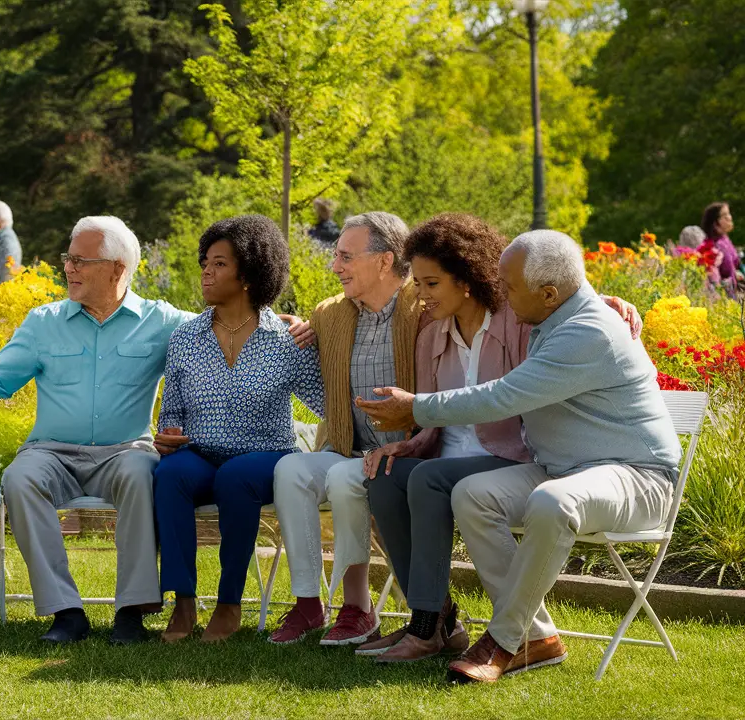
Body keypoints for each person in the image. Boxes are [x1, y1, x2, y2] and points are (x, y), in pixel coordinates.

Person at [0, 216, 315, 645]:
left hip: (125, 449)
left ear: (117, 270)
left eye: (81, 260)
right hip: (51, 451)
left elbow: (230, 323)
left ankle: (132, 611)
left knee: (141, 474)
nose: (69, 267)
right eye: (68, 257)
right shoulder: (44, 323)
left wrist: (286, 324)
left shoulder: (165, 322)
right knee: (21, 479)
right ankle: (65, 611)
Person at [358, 229, 680, 684]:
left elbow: (505, 396)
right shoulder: (553, 316)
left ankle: (505, 639)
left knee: (553, 502)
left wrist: (414, 406)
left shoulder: (587, 331)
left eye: (508, 288)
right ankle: (540, 636)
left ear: (549, 294)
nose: (499, 295)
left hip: (635, 476)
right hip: (560, 470)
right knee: (472, 492)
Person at [354, 214, 534, 662]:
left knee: (426, 479)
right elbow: (433, 416)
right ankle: (442, 620)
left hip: (509, 460)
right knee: (386, 473)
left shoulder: (515, 323)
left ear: (468, 280)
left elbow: (567, 316)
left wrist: (613, 302)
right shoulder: (432, 334)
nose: (421, 295)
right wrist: (407, 445)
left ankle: (424, 625)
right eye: (418, 283)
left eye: (431, 284)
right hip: (445, 460)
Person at [152, 215, 325, 643]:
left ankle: (230, 604)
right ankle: (184, 601)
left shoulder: (286, 338)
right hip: (201, 454)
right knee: (170, 475)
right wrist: (167, 435)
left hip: (265, 457)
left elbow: (326, 403)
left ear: (248, 274)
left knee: (236, 476)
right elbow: (170, 411)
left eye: (219, 264)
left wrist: (323, 336)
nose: (206, 273)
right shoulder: (186, 337)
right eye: (205, 263)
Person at [269, 211, 420, 647]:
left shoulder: (423, 308)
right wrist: (292, 327)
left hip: (409, 450)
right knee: (292, 471)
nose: (335, 267)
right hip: (348, 447)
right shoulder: (330, 314)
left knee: (340, 476)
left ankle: (357, 607)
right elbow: (300, 339)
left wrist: (604, 301)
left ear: (385, 261)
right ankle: (308, 603)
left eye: (345, 257)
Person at [700, 202, 740, 294]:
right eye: (725, 215)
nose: (729, 217)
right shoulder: (714, 245)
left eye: (729, 213)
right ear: (715, 222)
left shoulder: (725, 240)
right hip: (724, 295)